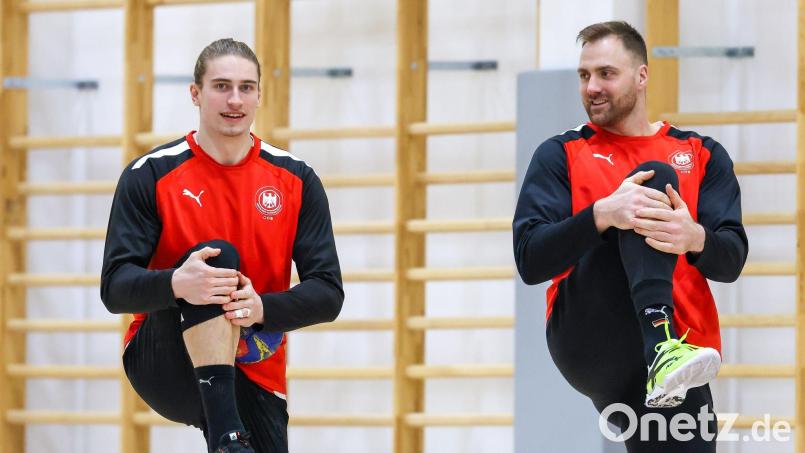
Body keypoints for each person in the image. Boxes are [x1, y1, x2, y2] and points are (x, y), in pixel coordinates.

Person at [513, 21, 747, 451]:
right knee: (652, 182)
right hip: (591, 330)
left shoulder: (702, 153)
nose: (592, 87)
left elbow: (730, 260)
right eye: (584, 76)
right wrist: (601, 215)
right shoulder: (560, 154)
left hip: (682, 350)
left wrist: (693, 238)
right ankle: (658, 344)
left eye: (606, 73)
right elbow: (530, 260)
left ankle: (663, 351)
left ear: (641, 76)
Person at [101, 38, 344, 453]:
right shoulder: (151, 174)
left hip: (253, 361)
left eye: (246, 87)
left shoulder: (296, 179)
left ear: (259, 95)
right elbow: (115, 287)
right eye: (221, 86)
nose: (235, 100)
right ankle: (227, 437)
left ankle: (228, 434)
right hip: (165, 356)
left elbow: (328, 292)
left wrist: (261, 308)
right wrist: (178, 284)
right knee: (217, 260)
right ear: (195, 93)